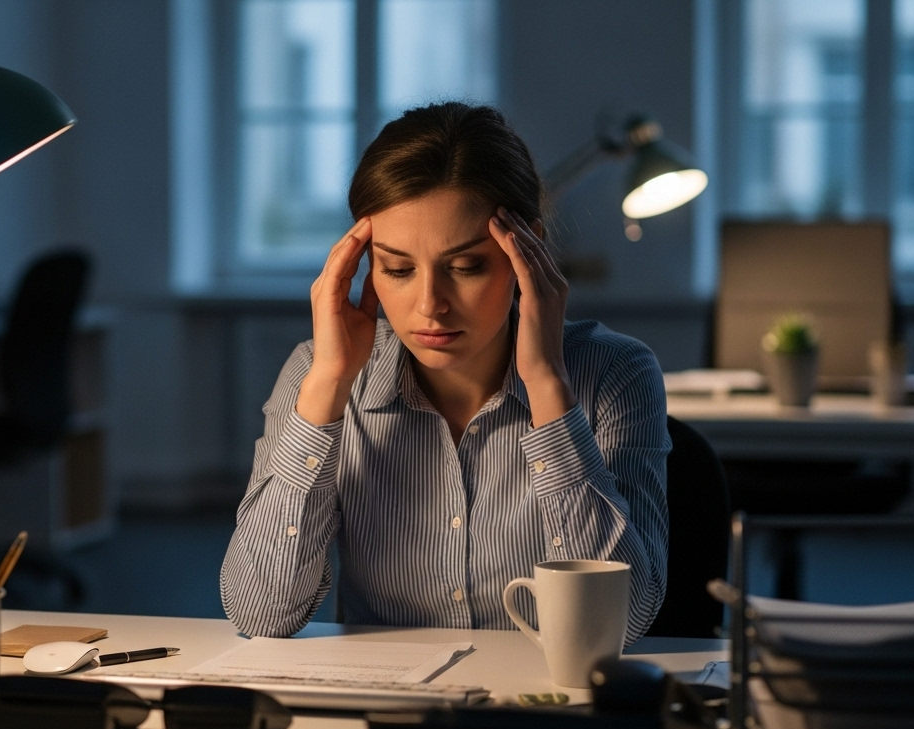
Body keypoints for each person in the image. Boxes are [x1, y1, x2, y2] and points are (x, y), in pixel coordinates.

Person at [219, 102, 669, 643]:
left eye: (465, 266)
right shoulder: (317, 373)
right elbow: (260, 614)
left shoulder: (616, 372)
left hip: (539, 691)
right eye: (398, 269)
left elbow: (624, 622)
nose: (430, 304)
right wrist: (328, 387)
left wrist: (549, 388)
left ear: (527, 253)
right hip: (385, 692)